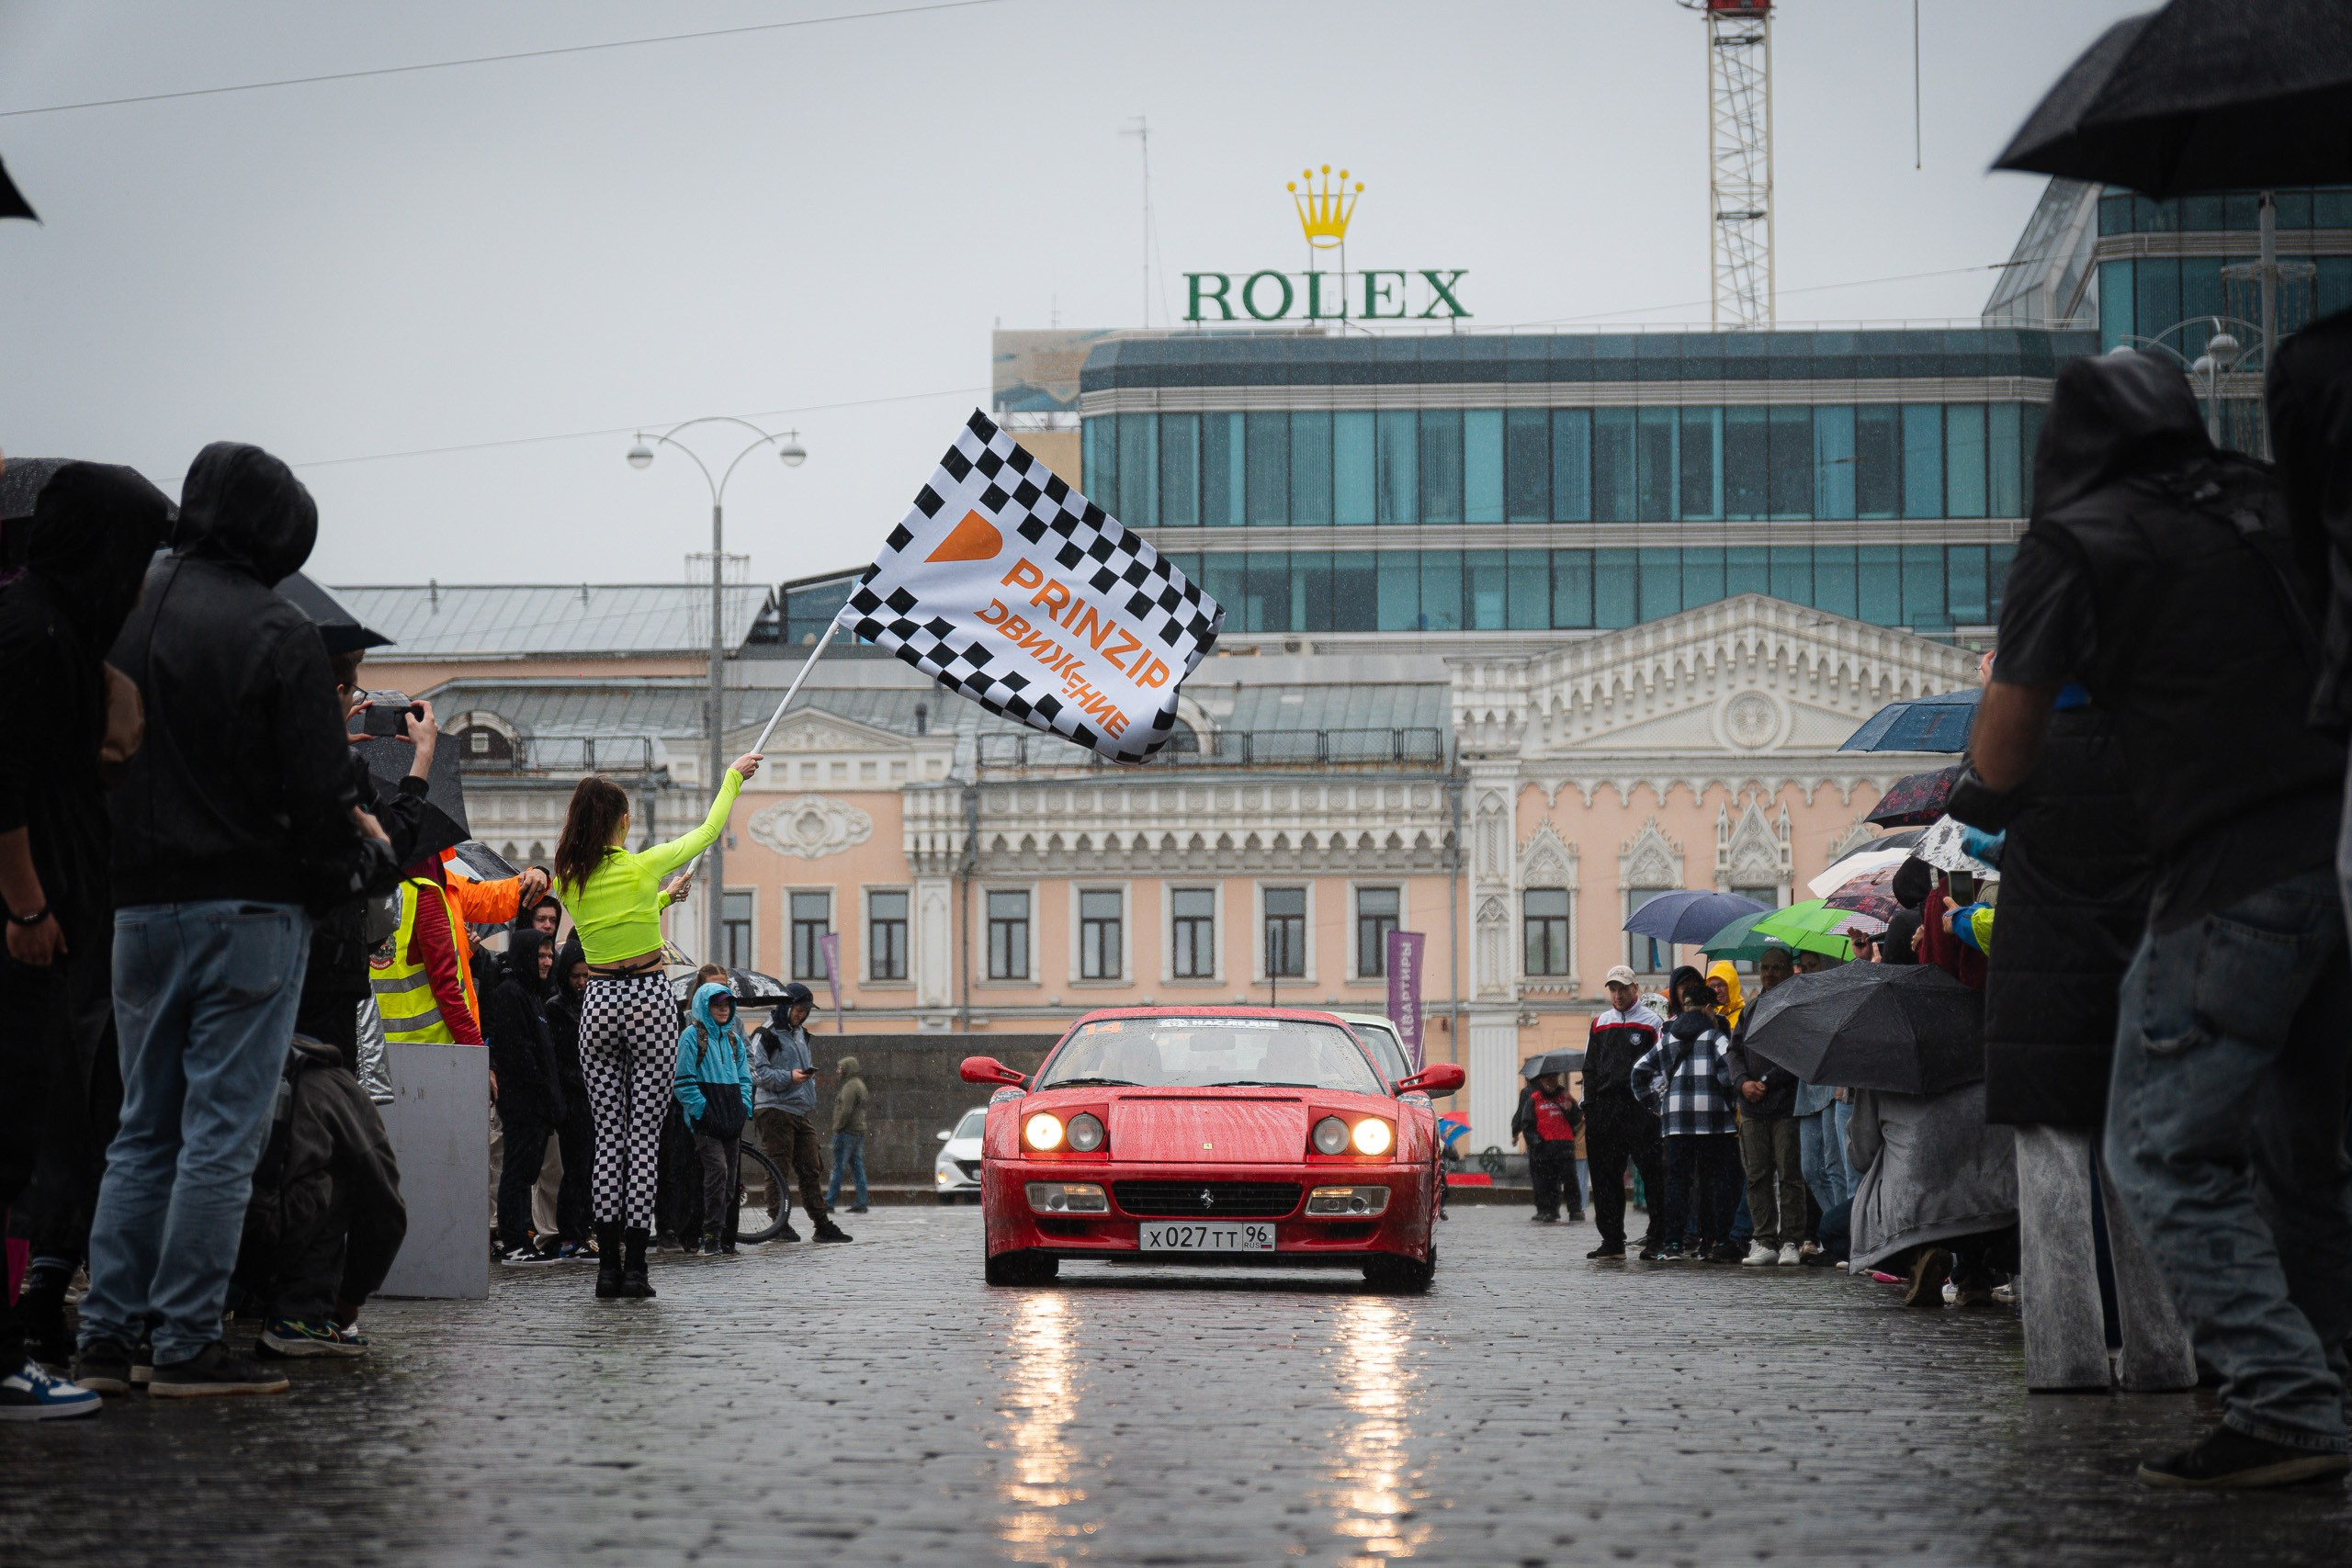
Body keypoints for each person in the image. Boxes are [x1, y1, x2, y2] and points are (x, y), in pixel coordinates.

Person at [1970, 348, 2352, 1489]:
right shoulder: (2273, 500)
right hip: (2336, 847)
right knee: (2303, 1152)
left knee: (2158, 1148)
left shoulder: (2080, 536)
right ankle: (2319, 1383)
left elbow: (2001, 754)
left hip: (2229, 870)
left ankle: (2287, 1403)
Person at [74, 442, 375, 1402]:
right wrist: (336, 878)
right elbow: (320, 793)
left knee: (141, 1128)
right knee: (219, 1133)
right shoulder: (277, 630)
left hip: (133, 907)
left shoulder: (120, 611)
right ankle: (187, 1341)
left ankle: (107, 1336)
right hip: (247, 907)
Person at [0, 462, 173, 1421]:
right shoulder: (31, 634)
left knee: (29, 1130)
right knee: (14, 1130)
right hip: (33, 925)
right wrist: (25, 907)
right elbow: (7, 781)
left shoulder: (59, 633)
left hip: (58, 914)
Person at [553, 761, 760, 1300]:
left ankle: (606, 1270)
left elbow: (610, 921)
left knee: (608, 1139)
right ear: (621, 823)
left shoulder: (568, 879)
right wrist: (733, 775)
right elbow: (709, 831)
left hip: (598, 1003)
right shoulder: (641, 867)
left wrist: (665, 899)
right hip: (647, 1000)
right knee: (644, 1139)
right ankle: (638, 1269)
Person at [1846, 1077, 2018, 1311]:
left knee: (1833, 1229)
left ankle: (1918, 1259)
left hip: (1915, 1212)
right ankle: (1975, 1276)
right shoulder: (1986, 1056)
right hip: (1997, 1210)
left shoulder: (1881, 1066)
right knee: (1970, 1202)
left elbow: (1861, 1157)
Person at [1632, 968, 1739, 1264]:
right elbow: (1728, 1074)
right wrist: (1729, 1102)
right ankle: (1712, 1242)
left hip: (1676, 1122)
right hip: (1714, 1122)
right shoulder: (1715, 1037)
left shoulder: (1667, 1038)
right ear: (1707, 1008)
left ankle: (1674, 1244)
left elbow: (1639, 1073)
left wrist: (1656, 1105)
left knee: (1678, 1183)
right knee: (1713, 1183)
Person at [487, 926, 566, 1262]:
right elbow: (520, 1053)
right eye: (541, 955)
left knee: (527, 1171)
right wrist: (541, 1094)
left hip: (536, 1104)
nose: (547, 962)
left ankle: (522, 1237)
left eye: (550, 955)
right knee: (517, 1172)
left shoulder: (531, 993)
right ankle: (514, 1241)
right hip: (522, 1102)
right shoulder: (511, 993)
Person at [1724, 942, 1806, 1266]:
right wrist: (1743, 1082)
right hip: (1753, 1108)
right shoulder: (1750, 1009)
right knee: (1757, 1175)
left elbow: (1797, 1054)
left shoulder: (1796, 1008)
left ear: (1789, 971)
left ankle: (1791, 1241)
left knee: (1789, 1175)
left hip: (1785, 1105)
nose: (1769, 974)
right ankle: (1764, 1239)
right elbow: (1733, 1051)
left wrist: (1768, 1081)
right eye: (1765, 968)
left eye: (1776, 968)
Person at [752, 984, 852, 1244]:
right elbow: (756, 1072)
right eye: (799, 1009)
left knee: (811, 1168)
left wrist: (803, 1083)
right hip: (774, 1109)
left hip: (799, 1109)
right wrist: (789, 1078)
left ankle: (821, 1223)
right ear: (786, 1006)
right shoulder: (766, 1034)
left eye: (806, 1011)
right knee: (778, 1168)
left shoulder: (801, 1035)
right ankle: (778, 1223)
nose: (802, 1014)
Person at [1581, 965, 1665, 1260]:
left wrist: (1657, 1105)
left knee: (1653, 1174)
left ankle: (1657, 1239)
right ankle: (1612, 1240)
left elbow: (1661, 1066)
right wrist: (1588, 1107)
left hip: (1641, 1107)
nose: (1617, 994)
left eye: (1623, 988)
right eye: (1613, 989)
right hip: (1605, 1110)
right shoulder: (1599, 1023)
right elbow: (1589, 1068)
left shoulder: (1653, 1023)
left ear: (1635, 989)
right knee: (1605, 1178)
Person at [673, 981, 753, 1254]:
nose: (723, 1009)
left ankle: (715, 1232)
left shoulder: (732, 1039)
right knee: (717, 1173)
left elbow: (744, 1079)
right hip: (706, 1122)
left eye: (727, 1004)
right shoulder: (691, 1037)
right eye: (717, 1004)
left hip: (730, 1119)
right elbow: (683, 1082)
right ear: (705, 1006)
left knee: (729, 1181)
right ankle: (710, 1234)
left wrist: (743, 1108)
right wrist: (703, 1113)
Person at [544, 938, 596, 1256]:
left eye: (586, 976)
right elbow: (562, 1059)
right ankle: (569, 1233)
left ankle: (584, 1230)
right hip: (573, 1098)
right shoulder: (557, 1007)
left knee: (590, 1167)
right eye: (576, 977)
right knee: (576, 1168)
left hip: (592, 1096)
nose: (581, 983)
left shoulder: (591, 1005)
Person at [1511, 1070, 1583, 1224]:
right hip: (1545, 1146)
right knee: (1547, 1182)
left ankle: (1575, 1210)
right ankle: (1548, 1210)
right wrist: (1536, 1143)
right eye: (1548, 1079)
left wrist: (1570, 1109)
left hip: (1564, 1144)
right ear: (1542, 1081)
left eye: (1554, 1079)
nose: (1552, 1082)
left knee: (1570, 1180)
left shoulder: (1565, 1097)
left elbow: (1577, 1119)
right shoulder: (1534, 1099)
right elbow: (1527, 1123)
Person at [826, 1053, 871, 1214]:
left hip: (846, 1132)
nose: (838, 1071)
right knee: (858, 1167)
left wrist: (837, 1127)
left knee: (837, 1167)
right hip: (858, 1131)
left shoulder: (850, 1087)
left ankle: (829, 1201)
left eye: (840, 1068)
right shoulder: (858, 1084)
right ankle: (862, 1201)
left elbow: (845, 1110)